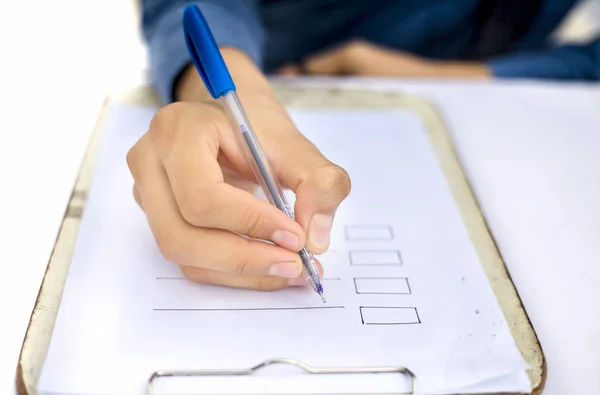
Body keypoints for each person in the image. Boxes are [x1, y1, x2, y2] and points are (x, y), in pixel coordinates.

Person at [128, 0, 599, 291]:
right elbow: (190, 9)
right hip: (287, 72)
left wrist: (449, 77)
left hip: (513, 126)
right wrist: (236, 99)